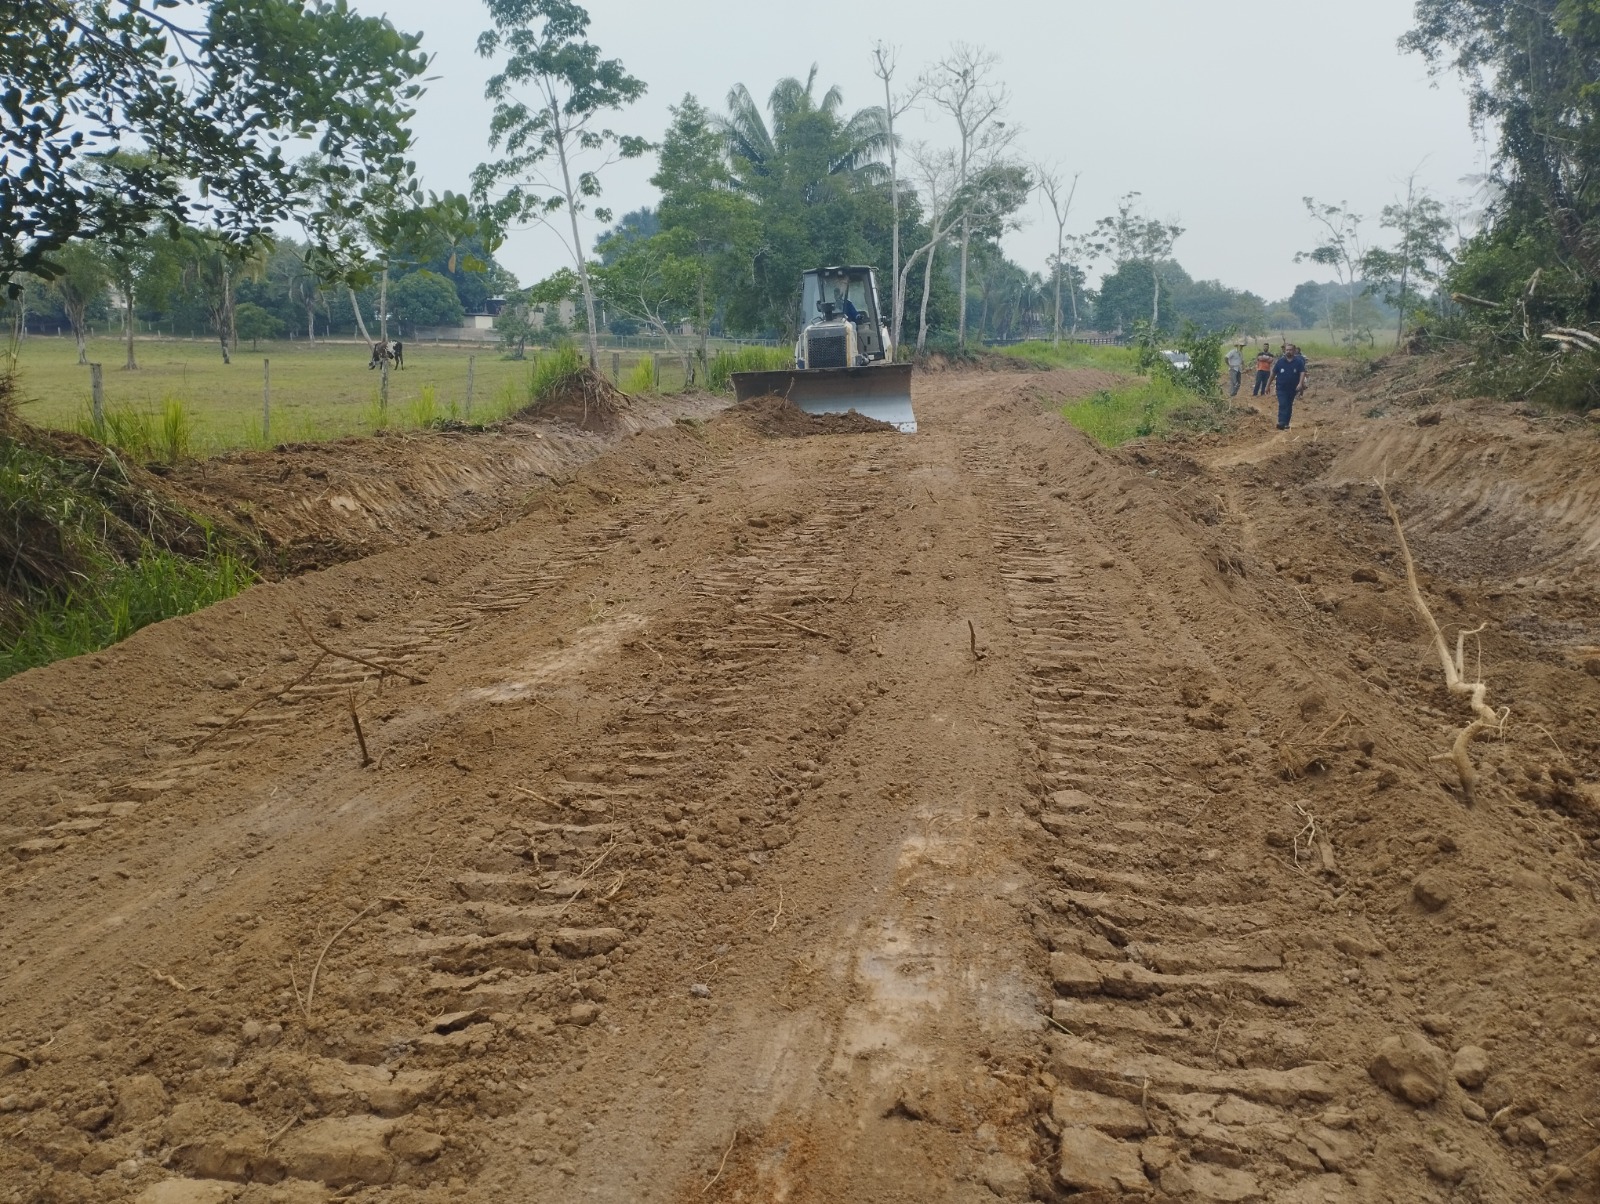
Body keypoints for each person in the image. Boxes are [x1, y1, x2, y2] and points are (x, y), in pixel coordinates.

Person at [1271, 343, 1309, 429]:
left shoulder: (1298, 362)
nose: (1288, 351)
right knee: (1282, 404)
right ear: (1285, 351)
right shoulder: (1280, 362)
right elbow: (1273, 373)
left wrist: (1300, 384)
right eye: (1287, 350)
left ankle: (1286, 423)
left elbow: (1302, 372)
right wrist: (1268, 385)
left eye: (1290, 350)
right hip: (1281, 387)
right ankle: (1281, 422)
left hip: (1293, 388)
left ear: (1294, 351)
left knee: (1289, 405)